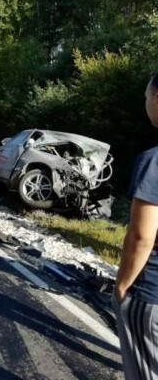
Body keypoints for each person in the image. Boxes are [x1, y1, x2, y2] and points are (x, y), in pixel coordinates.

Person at [114, 72, 158, 380]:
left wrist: (122, 285)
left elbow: (142, 236)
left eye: (145, 97)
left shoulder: (153, 162)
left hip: (151, 296)